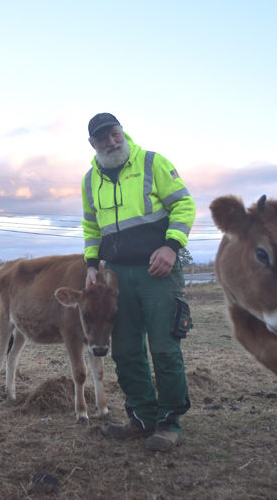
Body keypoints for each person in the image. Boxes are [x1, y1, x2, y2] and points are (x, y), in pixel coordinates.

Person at [80, 113, 196, 452]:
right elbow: (90, 227)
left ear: (123, 133)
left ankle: (169, 422)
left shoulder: (151, 163)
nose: (112, 142)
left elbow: (184, 204)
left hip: (157, 269)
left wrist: (171, 246)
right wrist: (91, 264)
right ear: (93, 144)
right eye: (103, 138)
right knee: (126, 349)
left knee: (163, 346)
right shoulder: (89, 181)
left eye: (115, 134)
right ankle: (142, 418)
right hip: (116, 274)